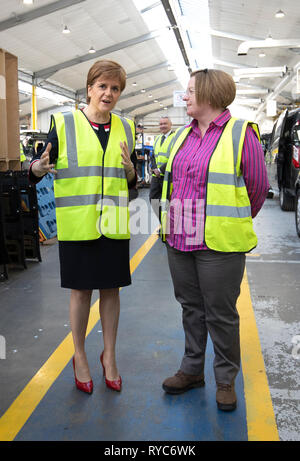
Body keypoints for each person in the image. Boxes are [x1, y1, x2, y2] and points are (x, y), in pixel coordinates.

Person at [160, 69, 269, 411]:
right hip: (180, 236)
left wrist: (230, 220)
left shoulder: (241, 134)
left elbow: (256, 187)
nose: (185, 97)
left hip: (220, 243)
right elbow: (170, 181)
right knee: (191, 308)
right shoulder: (181, 136)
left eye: (190, 91)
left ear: (208, 94)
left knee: (220, 314)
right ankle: (192, 370)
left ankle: (225, 380)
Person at [29, 60, 136, 394]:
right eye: (102, 86)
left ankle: (110, 356)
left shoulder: (126, 128)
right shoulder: (63, 123)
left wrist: (132, 171)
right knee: (81, 292)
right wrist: (37, 167)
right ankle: (79, 355)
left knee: (111, 291)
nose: (108, 93)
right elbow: (39, 164)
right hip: (78, 225)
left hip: (114, 224)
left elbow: (130, 184)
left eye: (115, 88)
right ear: (89, 88)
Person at [149, 116, 174, 221]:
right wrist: (155, 168)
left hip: (168, 177)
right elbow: (153, 155)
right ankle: (162, 223)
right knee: (153, 199)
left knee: (167, 202)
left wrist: (160, 170)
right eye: (161, 124)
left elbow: (174, 157)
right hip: (156, 176)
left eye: (165, 124)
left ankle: (168, 226)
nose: (162, 126)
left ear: (170, 125)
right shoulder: (158, 138)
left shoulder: (175, 138)